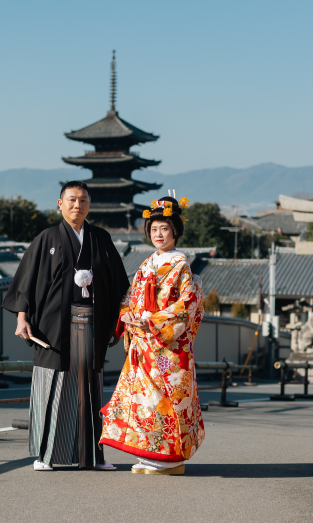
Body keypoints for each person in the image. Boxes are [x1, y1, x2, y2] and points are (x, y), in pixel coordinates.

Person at [2, 181, 130, 471]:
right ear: (60, 204)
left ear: (89, 205)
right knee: (53, 386)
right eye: (71, 200)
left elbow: (119, 284)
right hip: (53, 328)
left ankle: (93, 456)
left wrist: (121, 318)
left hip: (92, 325)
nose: (77, 205)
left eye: (83, 200)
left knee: (90, 389)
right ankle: (46, 455)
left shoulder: (101, 238)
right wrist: (22, 319)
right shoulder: (46, 238)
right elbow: (25, 283)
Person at [99, 194, 205, 475]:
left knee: (166, 401)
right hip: (144, 344)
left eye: (165, 229)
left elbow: (187, 304)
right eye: (154, 230)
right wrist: (128, 314)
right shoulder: (147, 263)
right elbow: (131, 297)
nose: (158, 235)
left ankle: (170, 460)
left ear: (176, 231)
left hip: (167, 345)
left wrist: (154, 320)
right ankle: (149, 455)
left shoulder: (181, 263)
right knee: (145, 401)